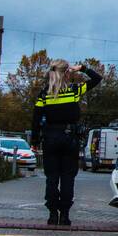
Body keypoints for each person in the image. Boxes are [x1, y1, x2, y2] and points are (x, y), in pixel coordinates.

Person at [31, 59, 101, 226]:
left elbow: (35, 119)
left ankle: (52, 213)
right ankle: (65, 215)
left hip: (50, 138)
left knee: (52, 177)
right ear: (67, 72)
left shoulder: (44, 94)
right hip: (70, 138)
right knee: (68, 177)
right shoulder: (73, 91)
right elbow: (97, 79)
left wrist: (34, 140)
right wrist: (82, 68)